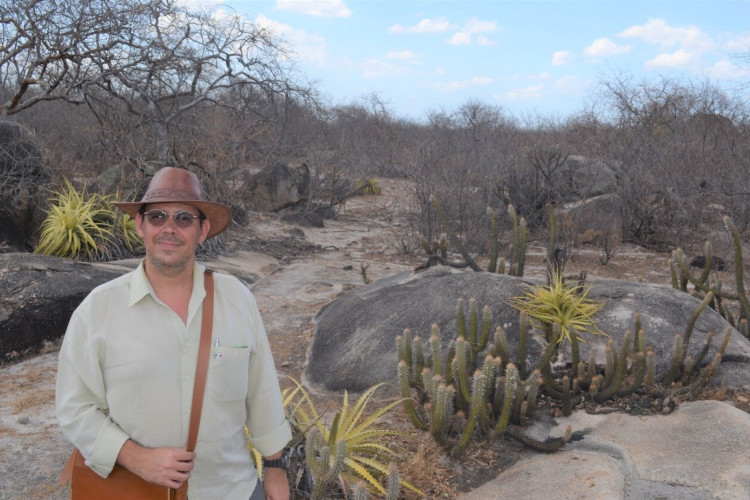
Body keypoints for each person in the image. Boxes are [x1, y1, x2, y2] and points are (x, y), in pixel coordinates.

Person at [56, 166, 291, 500]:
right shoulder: (98, 310)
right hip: (137, 492)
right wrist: (136, 458)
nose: (169, 228)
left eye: (183, 218)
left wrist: (276, 470)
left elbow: (262, 391)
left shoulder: (237, 299)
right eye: (157, 217)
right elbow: (74, 407)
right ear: (140, 225)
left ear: (202, 230)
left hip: (232, 490)